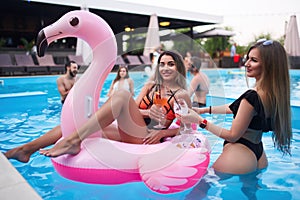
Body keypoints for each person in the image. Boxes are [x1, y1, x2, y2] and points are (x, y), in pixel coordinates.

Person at [5, 50, 190, 161]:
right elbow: (132, 109)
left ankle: (73, 141)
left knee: (122, 95)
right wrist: (146, 110)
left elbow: (186, 129)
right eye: (162, 64)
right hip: (131, 129)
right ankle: (26, 149)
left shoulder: (181, 95)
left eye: (171, 64)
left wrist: (163, 132)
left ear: (178, 68)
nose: (165, 67)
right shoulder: (151, 86)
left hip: (146, 137)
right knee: (74, 124)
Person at [178, 40, 292, 174]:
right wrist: (204, 110)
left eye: (253, 60)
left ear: (269, 65)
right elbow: (236, 107)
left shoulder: (252, 96)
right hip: (259, 154)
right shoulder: (274, 95)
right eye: (247, 58)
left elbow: (232, 136)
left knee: (204, 186)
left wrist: (199, 120)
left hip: (239, 154)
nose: (247, 64)